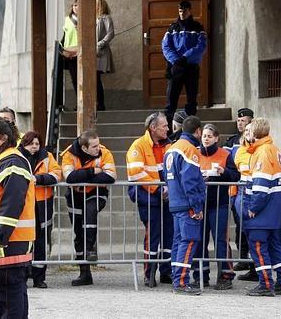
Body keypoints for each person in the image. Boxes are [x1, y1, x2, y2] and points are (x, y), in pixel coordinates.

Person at [0, 116, 36, 318]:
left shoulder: (10, 160)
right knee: (10, 292)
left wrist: (2, 233)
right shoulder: (6, 159)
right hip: (10, 238)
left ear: (3, 138)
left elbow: (13, 198)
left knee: (8, 295)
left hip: (8, 240)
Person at [242, 118, 281, 296]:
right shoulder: (274, 150)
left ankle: (265, 284)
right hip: (274, 210)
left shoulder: (262, 152)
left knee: (258, 247)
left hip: (262, 212)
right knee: (274, 245)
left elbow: (261, 186)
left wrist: (253, 207)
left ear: (255, 132)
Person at [61, 129, 116, 286]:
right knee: (78, 233)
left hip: (97, 192)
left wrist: (83, 177)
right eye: (94, 146)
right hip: (74, 196)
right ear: (84, 148)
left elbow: (110, 176)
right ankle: (84, 273)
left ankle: (90, 249)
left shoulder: (105, 152)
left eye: (98, 144)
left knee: (90, 212)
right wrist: (93, 171)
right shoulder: (68, 154)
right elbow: (70, 178)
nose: (98, 148)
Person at [126, 112, 173, 287]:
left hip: (166, 197)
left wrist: (169, 189)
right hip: (149, 198)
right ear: (153, 128)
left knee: (169, 235)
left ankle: (166, 272)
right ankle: (149, 273)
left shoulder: (169, 145)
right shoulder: (138, 146)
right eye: (164, 126)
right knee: (152, 236)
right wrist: (159, 188)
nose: (168, 129)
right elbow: (137, 173)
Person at [191, 124, 239, 290]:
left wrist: (223, 172)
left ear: (217, 138)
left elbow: (235, 176)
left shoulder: (225, 154)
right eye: (204, 135)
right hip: (200, 205)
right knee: (199, 241)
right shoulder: (195, 153)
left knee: (221, 241)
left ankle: (226, 276)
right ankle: (200, 276)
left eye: (210, 136)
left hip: (219, 204)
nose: (206, 138)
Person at [163, 116, 205, 295]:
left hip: (175, 202)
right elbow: (191, 182)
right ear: (198, 131)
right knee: (188, 242)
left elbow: (166, 176)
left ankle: (177, 278)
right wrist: (196, 207)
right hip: (187, 204)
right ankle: (181, 282)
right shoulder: (190, 150)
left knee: (179, 242)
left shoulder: (171, 149)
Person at [18, 131, 62, 289]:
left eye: (37, 144)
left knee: (41, 241)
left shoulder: (47, 156)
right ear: (24, 143)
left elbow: (57, 175)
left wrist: (39, 179)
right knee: (24, 242)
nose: (35, 147)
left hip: (42, 203)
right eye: (31, 144)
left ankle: (39, 278)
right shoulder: (17, 156)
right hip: (24, 204)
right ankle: (22, 275)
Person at [162, 0, 207, 129]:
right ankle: (168, 130)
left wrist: (185, 58)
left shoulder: (198, 27)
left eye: (185, 11)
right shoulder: (172, 28)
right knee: (171, 101)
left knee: (191, 101)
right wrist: (176, 60)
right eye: (180, 11)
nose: (182, 13)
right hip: (176, 67)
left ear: (190, 11)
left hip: (191, 67)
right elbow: (166, 46)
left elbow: (201, 46)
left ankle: (191, 130)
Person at [230, 123, 258, 281]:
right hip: (241, 197)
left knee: (257, 236)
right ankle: (253, 269)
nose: (247, 133)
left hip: (256, 197)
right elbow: (235, 173)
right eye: (246, 130)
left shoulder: (261, 150)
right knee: (246, 233)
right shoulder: (239, 150)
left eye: (250, 130)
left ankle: (260, 272)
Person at [95, 0, 115, 111]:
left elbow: (111, 33)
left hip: (100, 52)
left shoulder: (106, 17)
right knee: (94, 78)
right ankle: (98, 104)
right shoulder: (94, 18)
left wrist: (100, 44)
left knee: (96, 78)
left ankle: (101, 105)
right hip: (92, 51)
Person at [61, 0, 79, 99]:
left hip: (83, 52)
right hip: (70, 53)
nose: (76, 8)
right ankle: (79, 102)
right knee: (75, 79)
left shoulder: (86, 19)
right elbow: (61, 36)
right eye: (75, 5)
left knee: (88, 79)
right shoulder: (66, 20)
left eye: (78, 5)